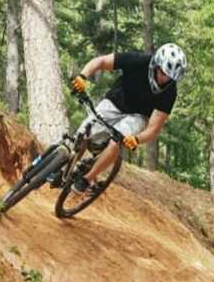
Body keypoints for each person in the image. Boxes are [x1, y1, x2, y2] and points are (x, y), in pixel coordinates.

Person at [70, 43, 187, 194]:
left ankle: (87, 179)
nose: (165, 79)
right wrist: (83, 76)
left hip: (138, 116)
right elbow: (101, 61)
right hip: (115, 102)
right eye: (163, 73)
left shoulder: (170, 92)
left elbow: (154, 129)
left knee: (116, 141)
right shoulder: (138, 60)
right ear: (156, 64)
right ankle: (66, 166)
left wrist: (137, 139)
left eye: (170, 78)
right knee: (83, 133)